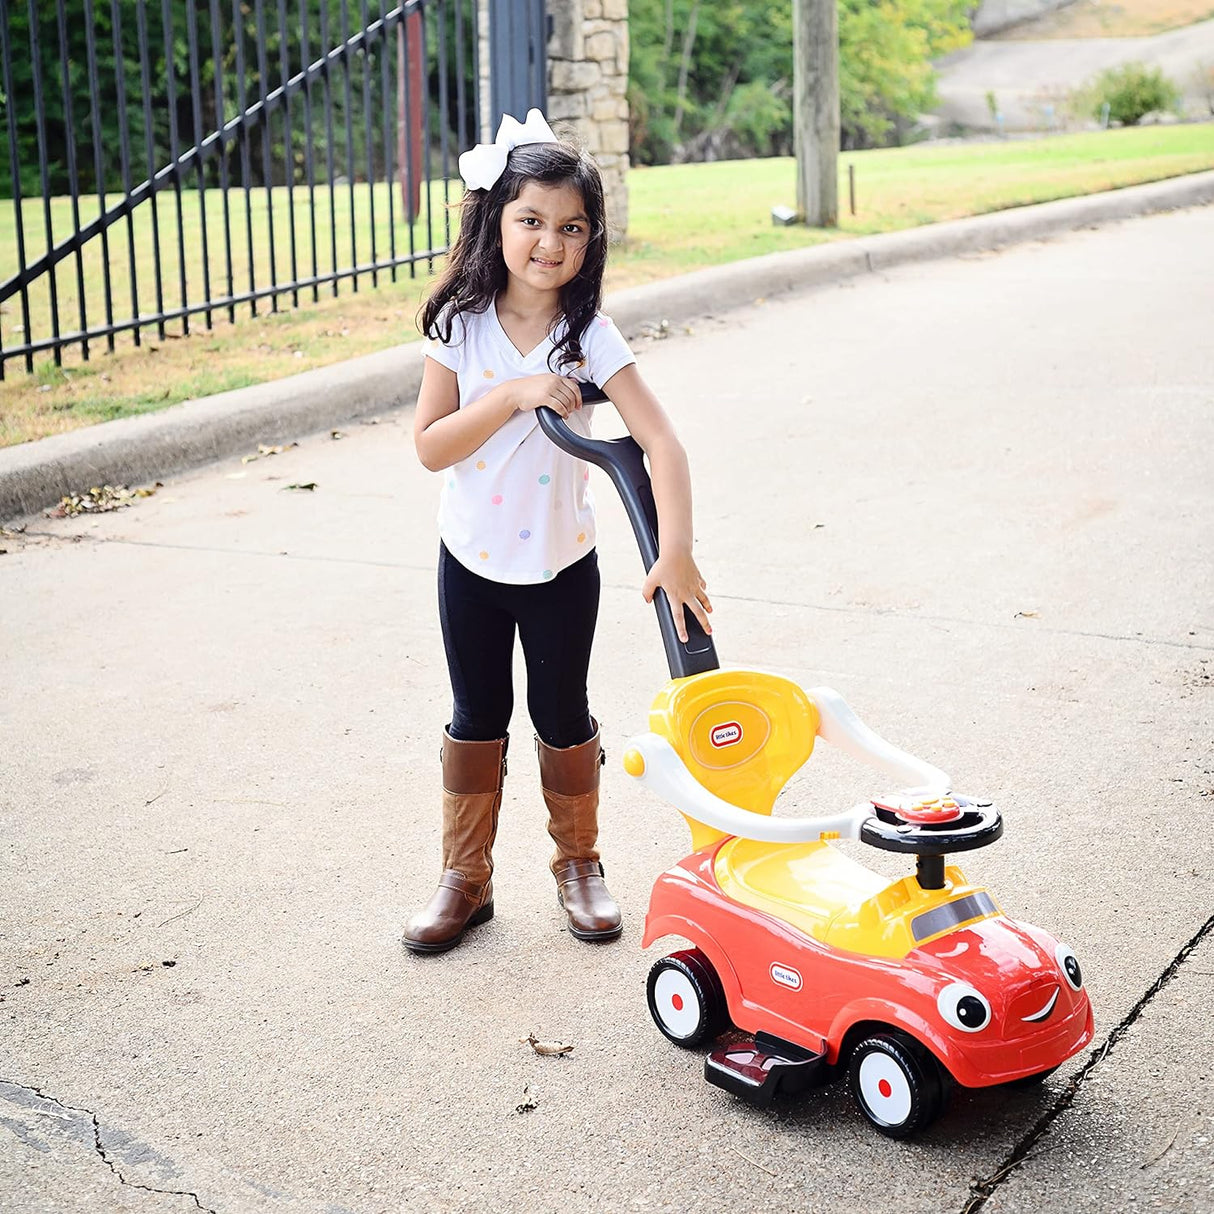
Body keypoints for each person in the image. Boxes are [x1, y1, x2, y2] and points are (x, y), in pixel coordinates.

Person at [403, 110, 711, 955]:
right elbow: (431, 447)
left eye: (570, 227)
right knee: (477, 713)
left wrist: (674, 548)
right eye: (531, 220)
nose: (549, 241)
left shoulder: (590, 334)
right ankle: (465, 880)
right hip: (470, 558)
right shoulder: (458, 328)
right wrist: (511, 394)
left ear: (591, 239)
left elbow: (662, 441)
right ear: (494, 221)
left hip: (560, 564)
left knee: (562, 711)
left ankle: (579, 864)